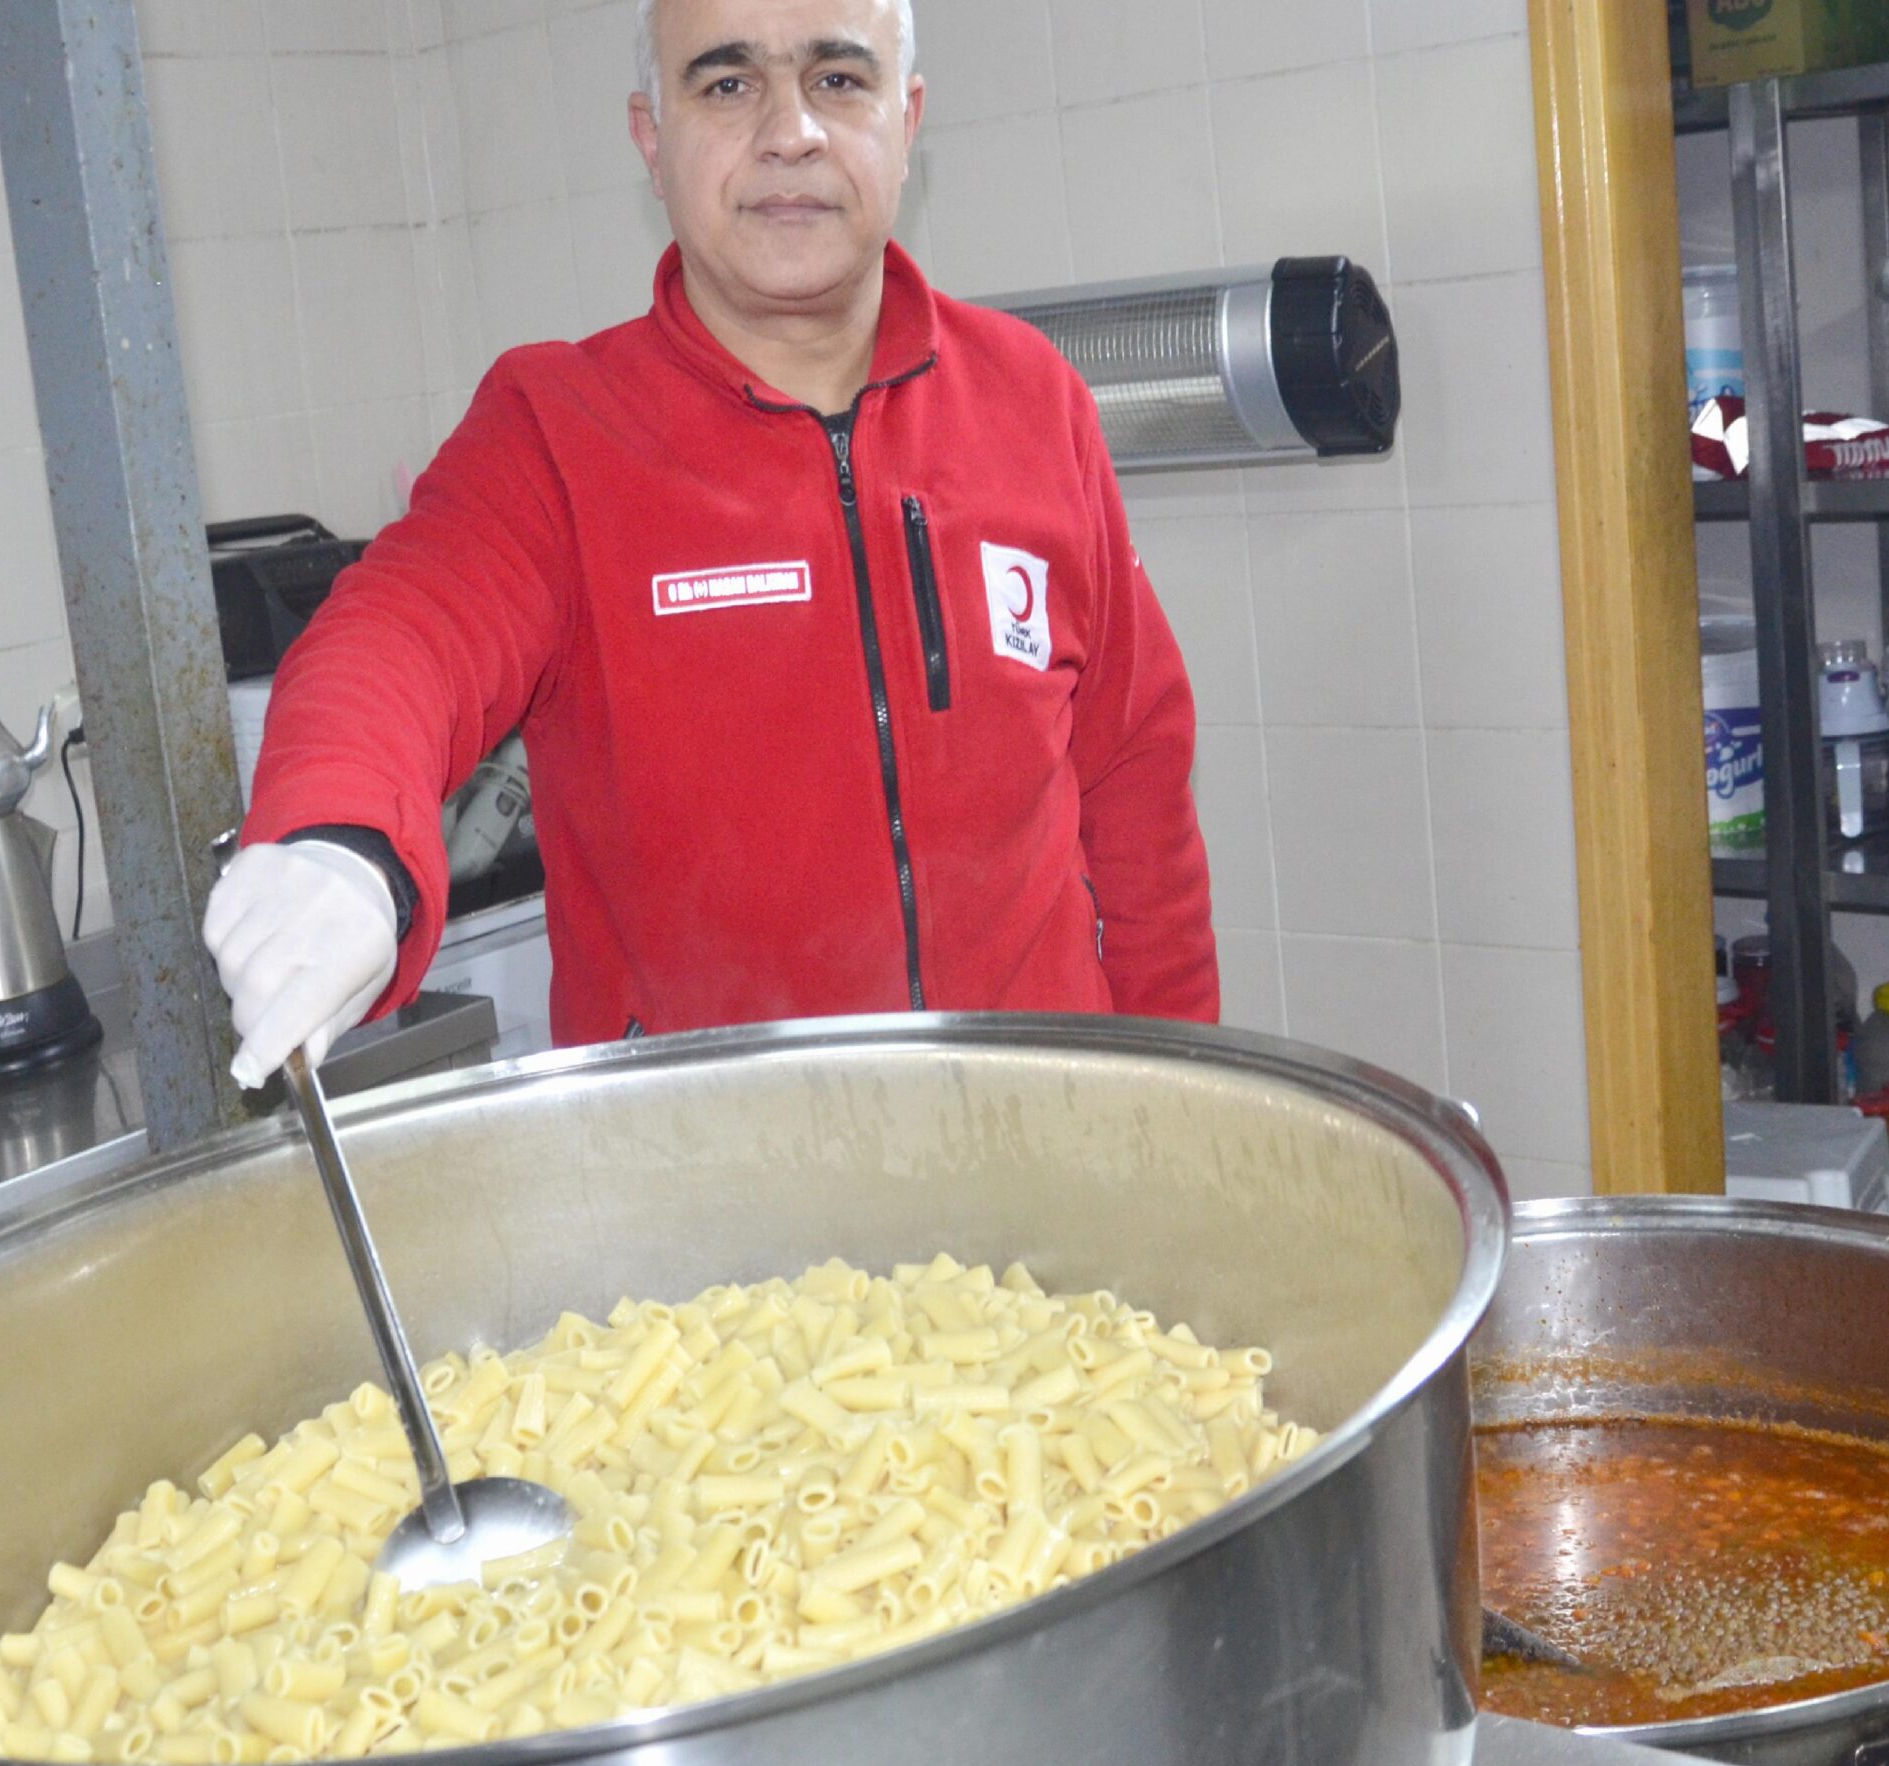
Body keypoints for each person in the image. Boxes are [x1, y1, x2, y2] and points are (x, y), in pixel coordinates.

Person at [208, 0, 1217, 1089]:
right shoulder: (556, 431)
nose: (791, 131)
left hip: (1043, 1152)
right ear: (652, 138)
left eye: (839, 80)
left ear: (907, 119)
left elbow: (1135, 789)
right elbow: (401, 638)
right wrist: (345, 840)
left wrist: (1189, 1094)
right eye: (727, 85)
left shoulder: (1031, 400)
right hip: (714, 1195)